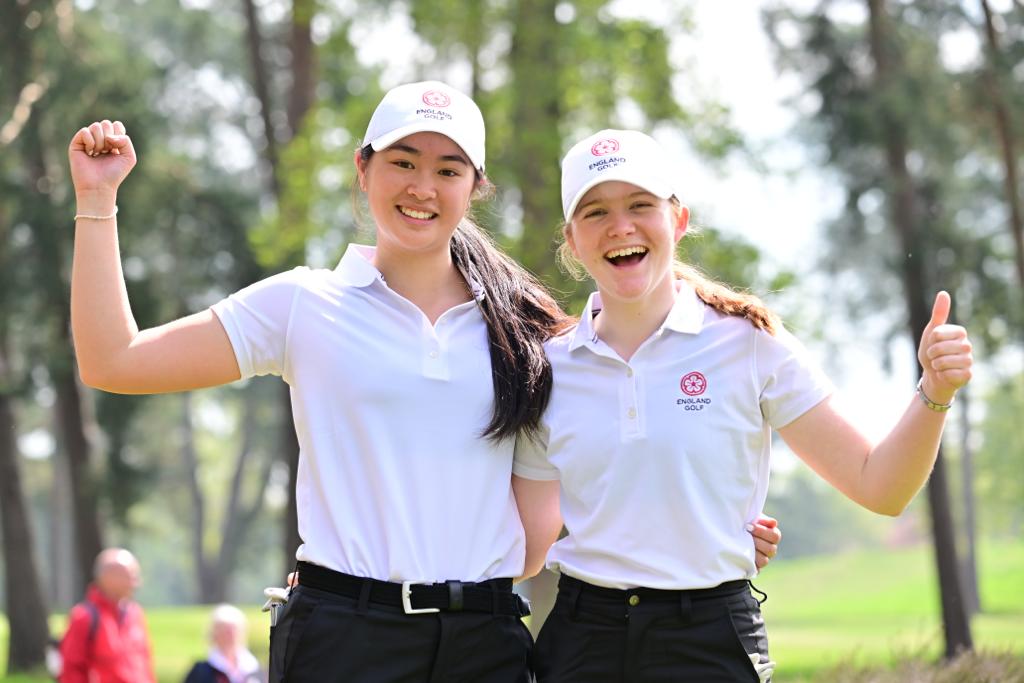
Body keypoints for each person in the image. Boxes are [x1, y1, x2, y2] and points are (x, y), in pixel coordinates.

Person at [68, 82, 780, 682]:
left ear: (474, 187)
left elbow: (613, 438)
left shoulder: (528, 329)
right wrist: (98, 204)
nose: (422, 186)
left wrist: (711, 529)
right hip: (344, 640)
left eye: (448, 169)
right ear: (363, 169)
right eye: (403, 161)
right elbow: (114, 361)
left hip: (487, 645)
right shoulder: (303, 305)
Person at [512, 129, 974, 682]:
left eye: (641, 205)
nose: (621, 227)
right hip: (583, 641)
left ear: (678, 220)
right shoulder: (548, 368)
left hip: (712, 638)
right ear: (571, 238)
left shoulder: (749, 342)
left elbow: (881, 485)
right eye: (595, 212)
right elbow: (524, 550)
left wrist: (933, 394)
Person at [58, 548, 155, 683]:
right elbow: (71, 670)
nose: (136, 583)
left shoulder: (135, 613)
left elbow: (145, 663)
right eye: (130, 576)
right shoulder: (84, 617)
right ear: (109, 577)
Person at [184, 604, 265, 683]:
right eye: (225, 630)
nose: (230, 635)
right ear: (214, 634)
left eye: (234, 629)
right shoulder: (201, 671)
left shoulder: (254, 668)